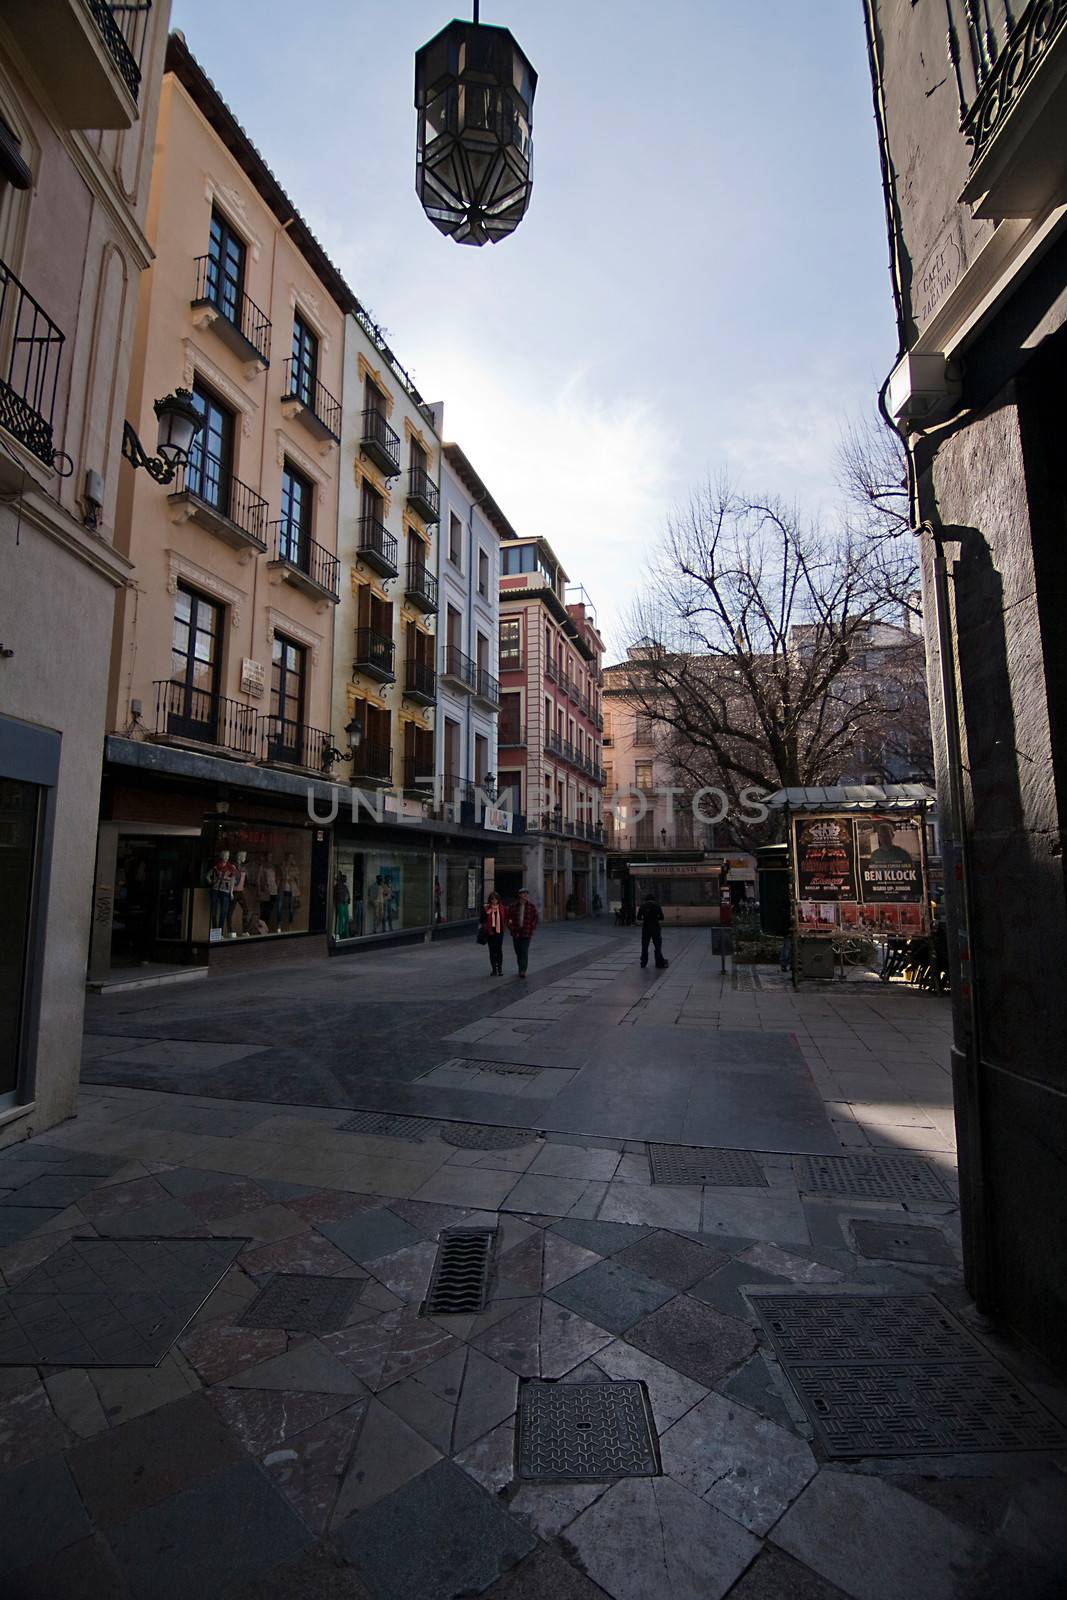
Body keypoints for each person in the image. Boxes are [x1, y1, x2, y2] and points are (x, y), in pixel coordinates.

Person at [507, 887, 539, 978]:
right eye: (523, 894)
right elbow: (508, 918)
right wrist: (511, 928)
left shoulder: (531, 907)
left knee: (524, 951)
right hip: (516, 932)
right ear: (519, 895)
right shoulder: (513, 906)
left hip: (526, 932)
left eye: (526, 894)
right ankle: (520, 967)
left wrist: (532, 927)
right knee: (518, 951)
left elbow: (535, 918)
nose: (525, 896)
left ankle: (522, 970)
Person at [638, 893, 667, 969]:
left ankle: (643, 963)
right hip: (655, 928)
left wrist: (645, 918)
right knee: (657, 946)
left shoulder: (643, 906)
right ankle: (658, 962)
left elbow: (638, 917)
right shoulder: (657, 906)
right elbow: (662, 917)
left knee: (645, 946)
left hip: (646, 928)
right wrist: (655, 918)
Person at [481, 890, 506, 976]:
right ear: (490, 900)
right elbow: (482, 920)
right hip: (490, 932)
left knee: (499, 950)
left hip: (499, 932)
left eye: (495, 899)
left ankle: (500, 969)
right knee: (492, 951)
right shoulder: (486, 908)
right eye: (492, 899)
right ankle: (494, 969)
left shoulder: (502, 908)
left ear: (498, 900)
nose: (494, 901)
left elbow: (506, 918)